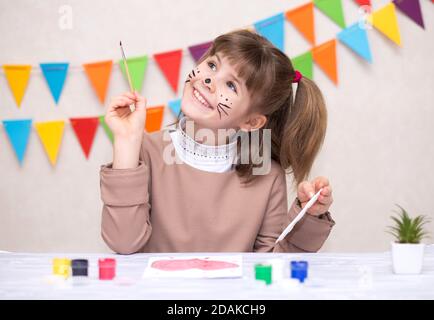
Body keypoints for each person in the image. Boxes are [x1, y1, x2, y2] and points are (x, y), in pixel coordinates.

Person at [100, 29, 334, 254]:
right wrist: (127, 140)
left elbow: (273, 266)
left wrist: (308, 217)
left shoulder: (267, 175)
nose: (209, 80)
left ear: (252, 122)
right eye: (212, 65)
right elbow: (124, 243)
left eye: (231, 85)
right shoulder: (145, 151)